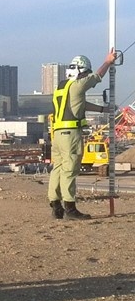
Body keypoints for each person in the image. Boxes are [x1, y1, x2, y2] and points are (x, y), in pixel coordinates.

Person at [48, 49, 118, 220]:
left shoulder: (62, 87)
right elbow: (97, 77)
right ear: (81, 71)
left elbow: (80, 104)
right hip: (70, 135)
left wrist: (102, 109)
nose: (87, 75)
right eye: (85, 72)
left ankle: (56, 206)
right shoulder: (78, 85)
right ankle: (70, 208)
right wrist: (108, 62)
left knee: (57, 169)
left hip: (57, 135)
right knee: (69, 170)